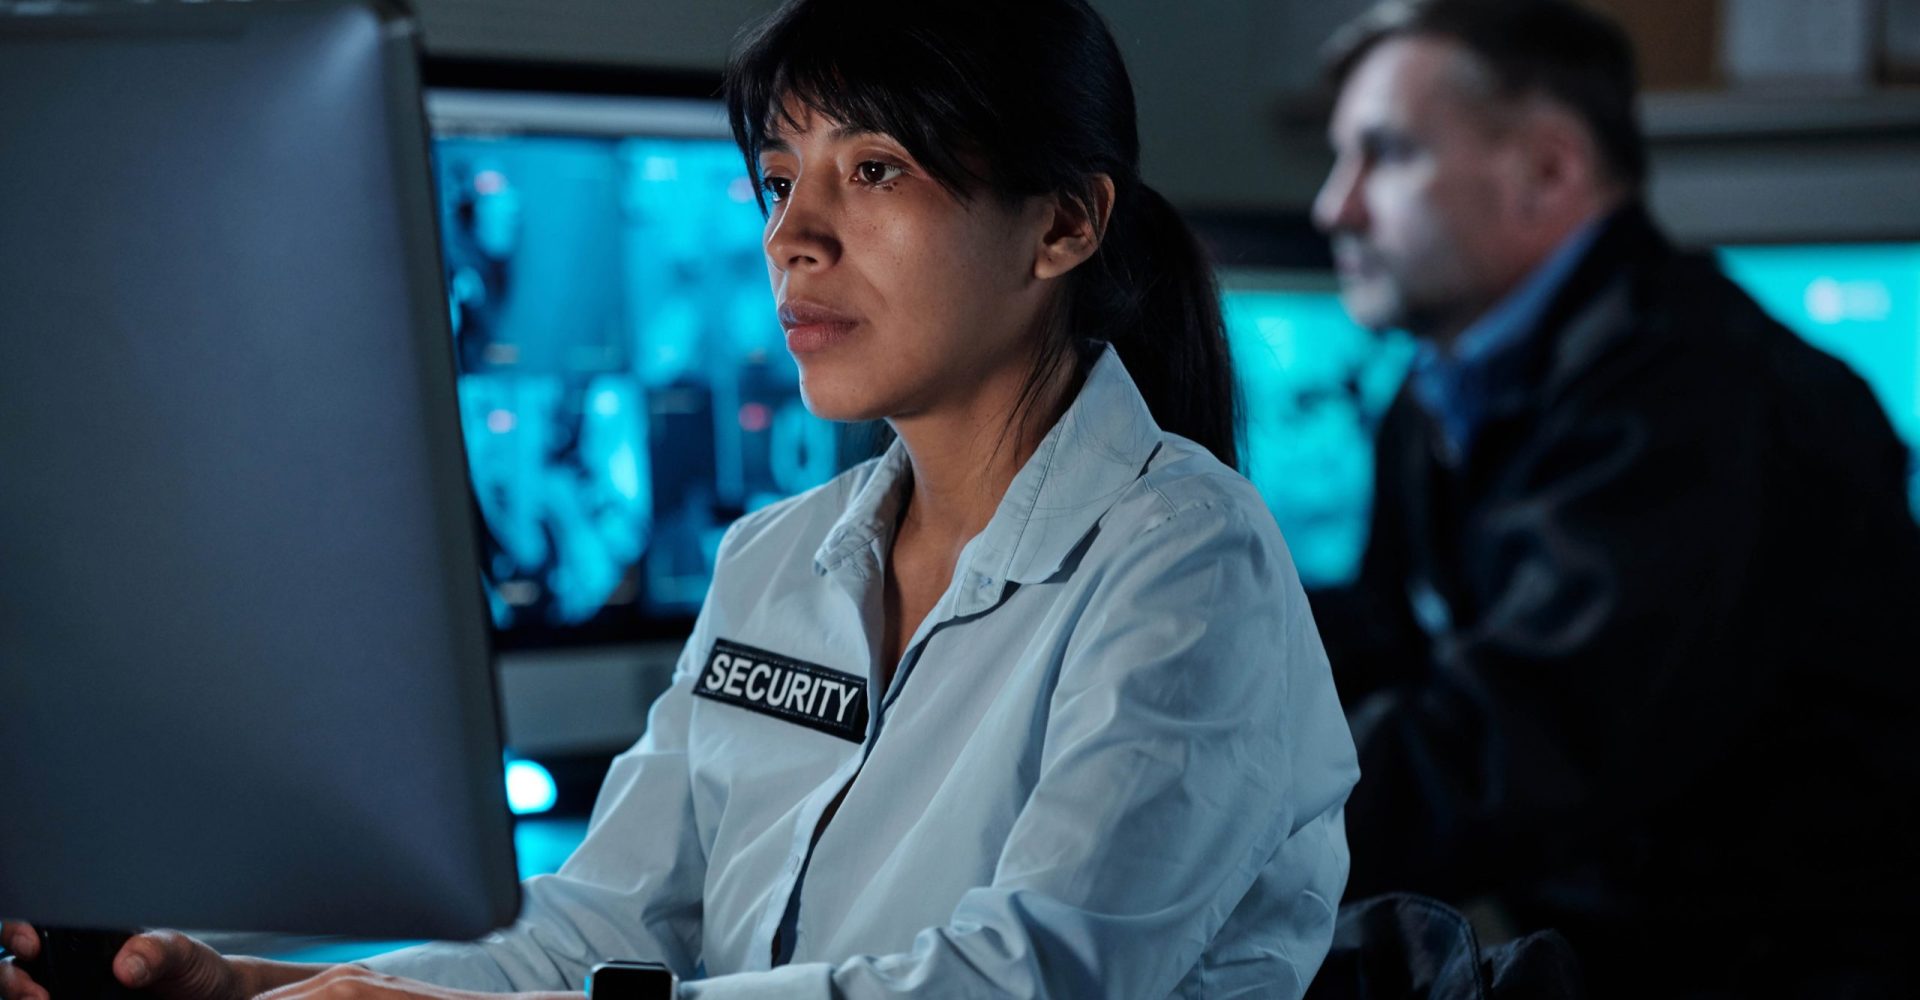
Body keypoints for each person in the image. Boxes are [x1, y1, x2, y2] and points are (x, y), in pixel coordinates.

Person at [2, 1, 1359, 997]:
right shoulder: (776, 562)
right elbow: (603, 929)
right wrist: (263, 988)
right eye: (778, 182)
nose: (792, 236)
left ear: (1064, 225)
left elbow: (1031, 980)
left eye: (872, 170)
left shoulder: (1188, 559)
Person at [1304, 0, 1920, 994]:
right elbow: (1384, 638)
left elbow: (1514, 745)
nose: (1337, 207)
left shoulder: (1711, 406)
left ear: (1549, 170)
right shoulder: (1443, 390)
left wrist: (1195, 809)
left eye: (1387, 155)